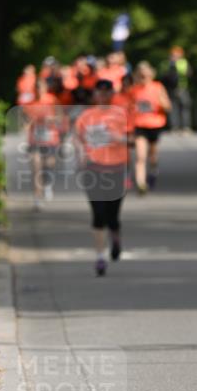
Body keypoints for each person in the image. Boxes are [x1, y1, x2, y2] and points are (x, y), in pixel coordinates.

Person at [73, 79, 129, 276]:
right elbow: (77, 138)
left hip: (116, 168)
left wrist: (118, 138)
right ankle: (99, 256)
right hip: (93, 169)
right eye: (100, 92)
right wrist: (80, 154)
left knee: (112, 214)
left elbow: (133, 139)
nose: (103, 95)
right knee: (98, 212)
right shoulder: (86, 116)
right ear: (95, 94)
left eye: (107, 92)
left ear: (112, 94)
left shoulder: (122, 115)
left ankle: (115, 236)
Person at [130, 61, 171, 193]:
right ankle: (141, 184)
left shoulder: (158, 87)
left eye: (145, 75)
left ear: (151, 75)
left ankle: (153, 171)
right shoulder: (133, 89)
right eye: (141, 75)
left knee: (152, 155)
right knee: (140, 156)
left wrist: (161, 102)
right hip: (139, 125)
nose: (143, 78)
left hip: (155, 124)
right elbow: (128, 108)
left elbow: (168, 107)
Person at [23, 78, 63, 209]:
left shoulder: (52, 100)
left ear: (46, 88)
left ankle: (48, 184)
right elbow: (25, 121)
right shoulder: (30, 103)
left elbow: (60, 117)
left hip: (50, 137)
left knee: (49, 164)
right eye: (37, 88)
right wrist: (29, 124)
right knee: (36, 168)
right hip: (35, 139)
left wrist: (49, 119)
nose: (39, 90)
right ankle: (37, 198)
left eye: (42, 87)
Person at [164, 46, 193, 131]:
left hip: (182, 87)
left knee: (185, 107)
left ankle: (186, 126)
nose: (174, 56)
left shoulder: (184, 62)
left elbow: (189, 73)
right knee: (173, 108)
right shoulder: (167, 63)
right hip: (171, 88)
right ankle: (174, 126)